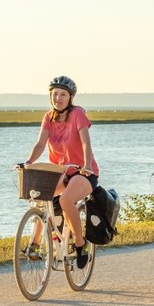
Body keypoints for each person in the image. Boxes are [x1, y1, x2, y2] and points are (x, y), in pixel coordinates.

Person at [22, 75, 99, 269]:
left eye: (63, 94)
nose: (58, 98)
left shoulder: (77, 114)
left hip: (83, 172)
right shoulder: (48, 117)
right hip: (60, 171)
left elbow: (85, 142)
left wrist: (87, 165)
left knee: (65, 200)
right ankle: (34, 245)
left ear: (70, 97)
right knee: (42, 198)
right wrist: (29, 162)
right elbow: (40, 143)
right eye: (55, 94)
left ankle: (81, 245)